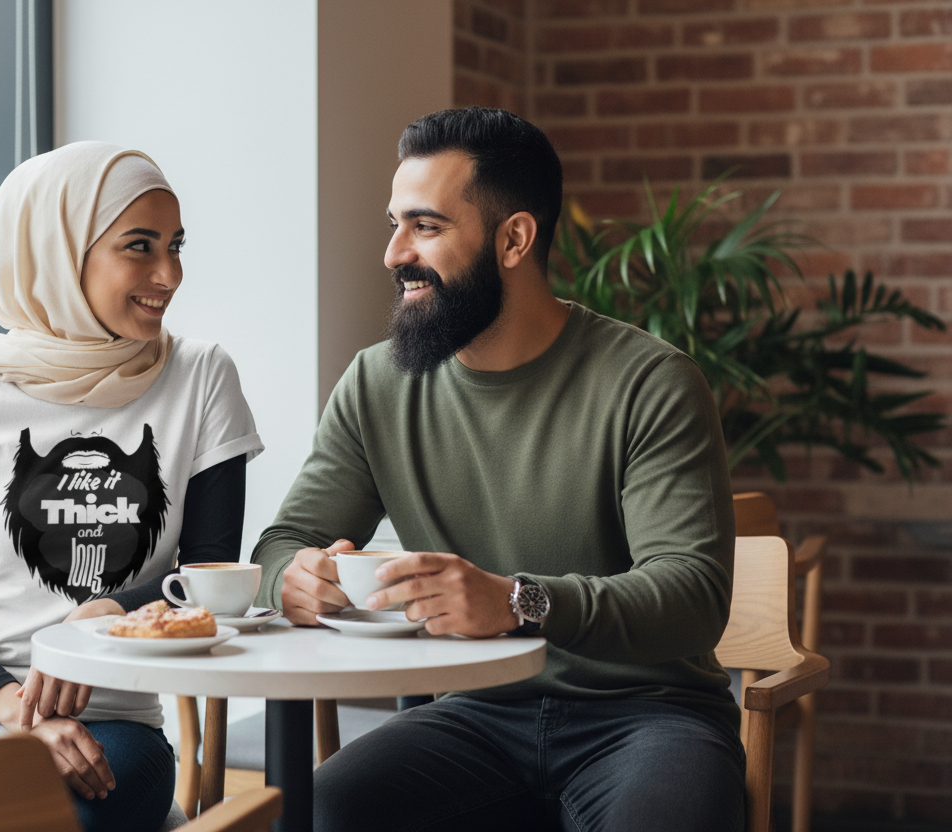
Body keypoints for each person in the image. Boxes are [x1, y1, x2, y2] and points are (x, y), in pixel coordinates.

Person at [252, 107, 744, 831]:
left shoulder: (651, 382)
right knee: (326, 809)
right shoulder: (375, 384)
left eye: (424, 226)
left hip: (648, 715)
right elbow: (283, 542)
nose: (392, 253)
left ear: (514, 238)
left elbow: (692, 595)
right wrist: (296, 577)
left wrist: (519, 602)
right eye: (394, 223)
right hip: (473, 711)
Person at [0, 142, 264, 832]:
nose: (168, 274)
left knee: (53, 811)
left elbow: (206, 576)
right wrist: (18, 713)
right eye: (139, 247)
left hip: (110, 716)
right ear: (57, 249)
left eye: (176, 245)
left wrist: (107, 611)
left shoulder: (201, 378)